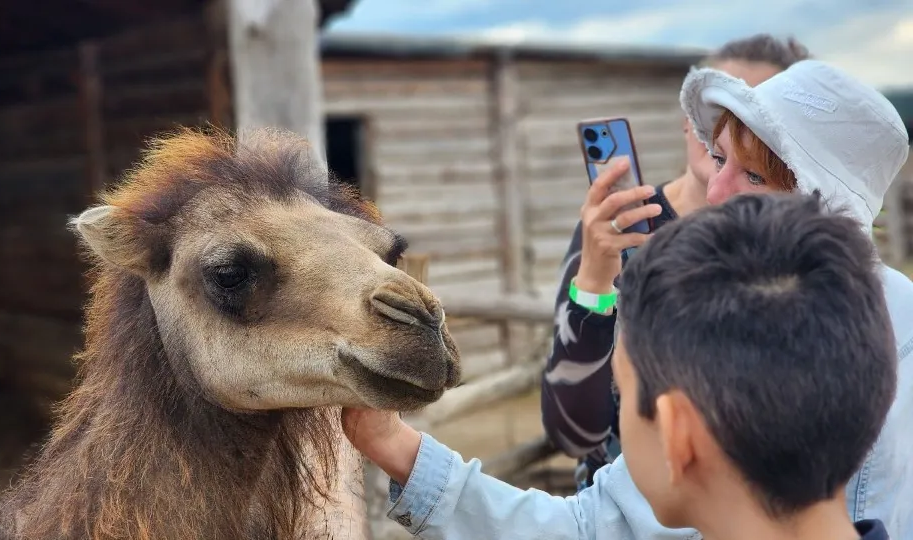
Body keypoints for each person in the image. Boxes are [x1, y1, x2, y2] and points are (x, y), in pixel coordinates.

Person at [341, 58, 912, 540]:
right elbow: (580, 450)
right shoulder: (702, 291)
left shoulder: (715, 322)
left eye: (755, 177)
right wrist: (592, 280)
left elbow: (591, 510)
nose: (716, 191)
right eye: (718, 159)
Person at [541, 34, 813, 489]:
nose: (732, 130)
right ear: (690, 122)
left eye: (756, 117)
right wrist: (592, 278)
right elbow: (574, 431)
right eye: (719, 111)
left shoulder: (801, 247)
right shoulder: (619, 230)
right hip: (625, 505)